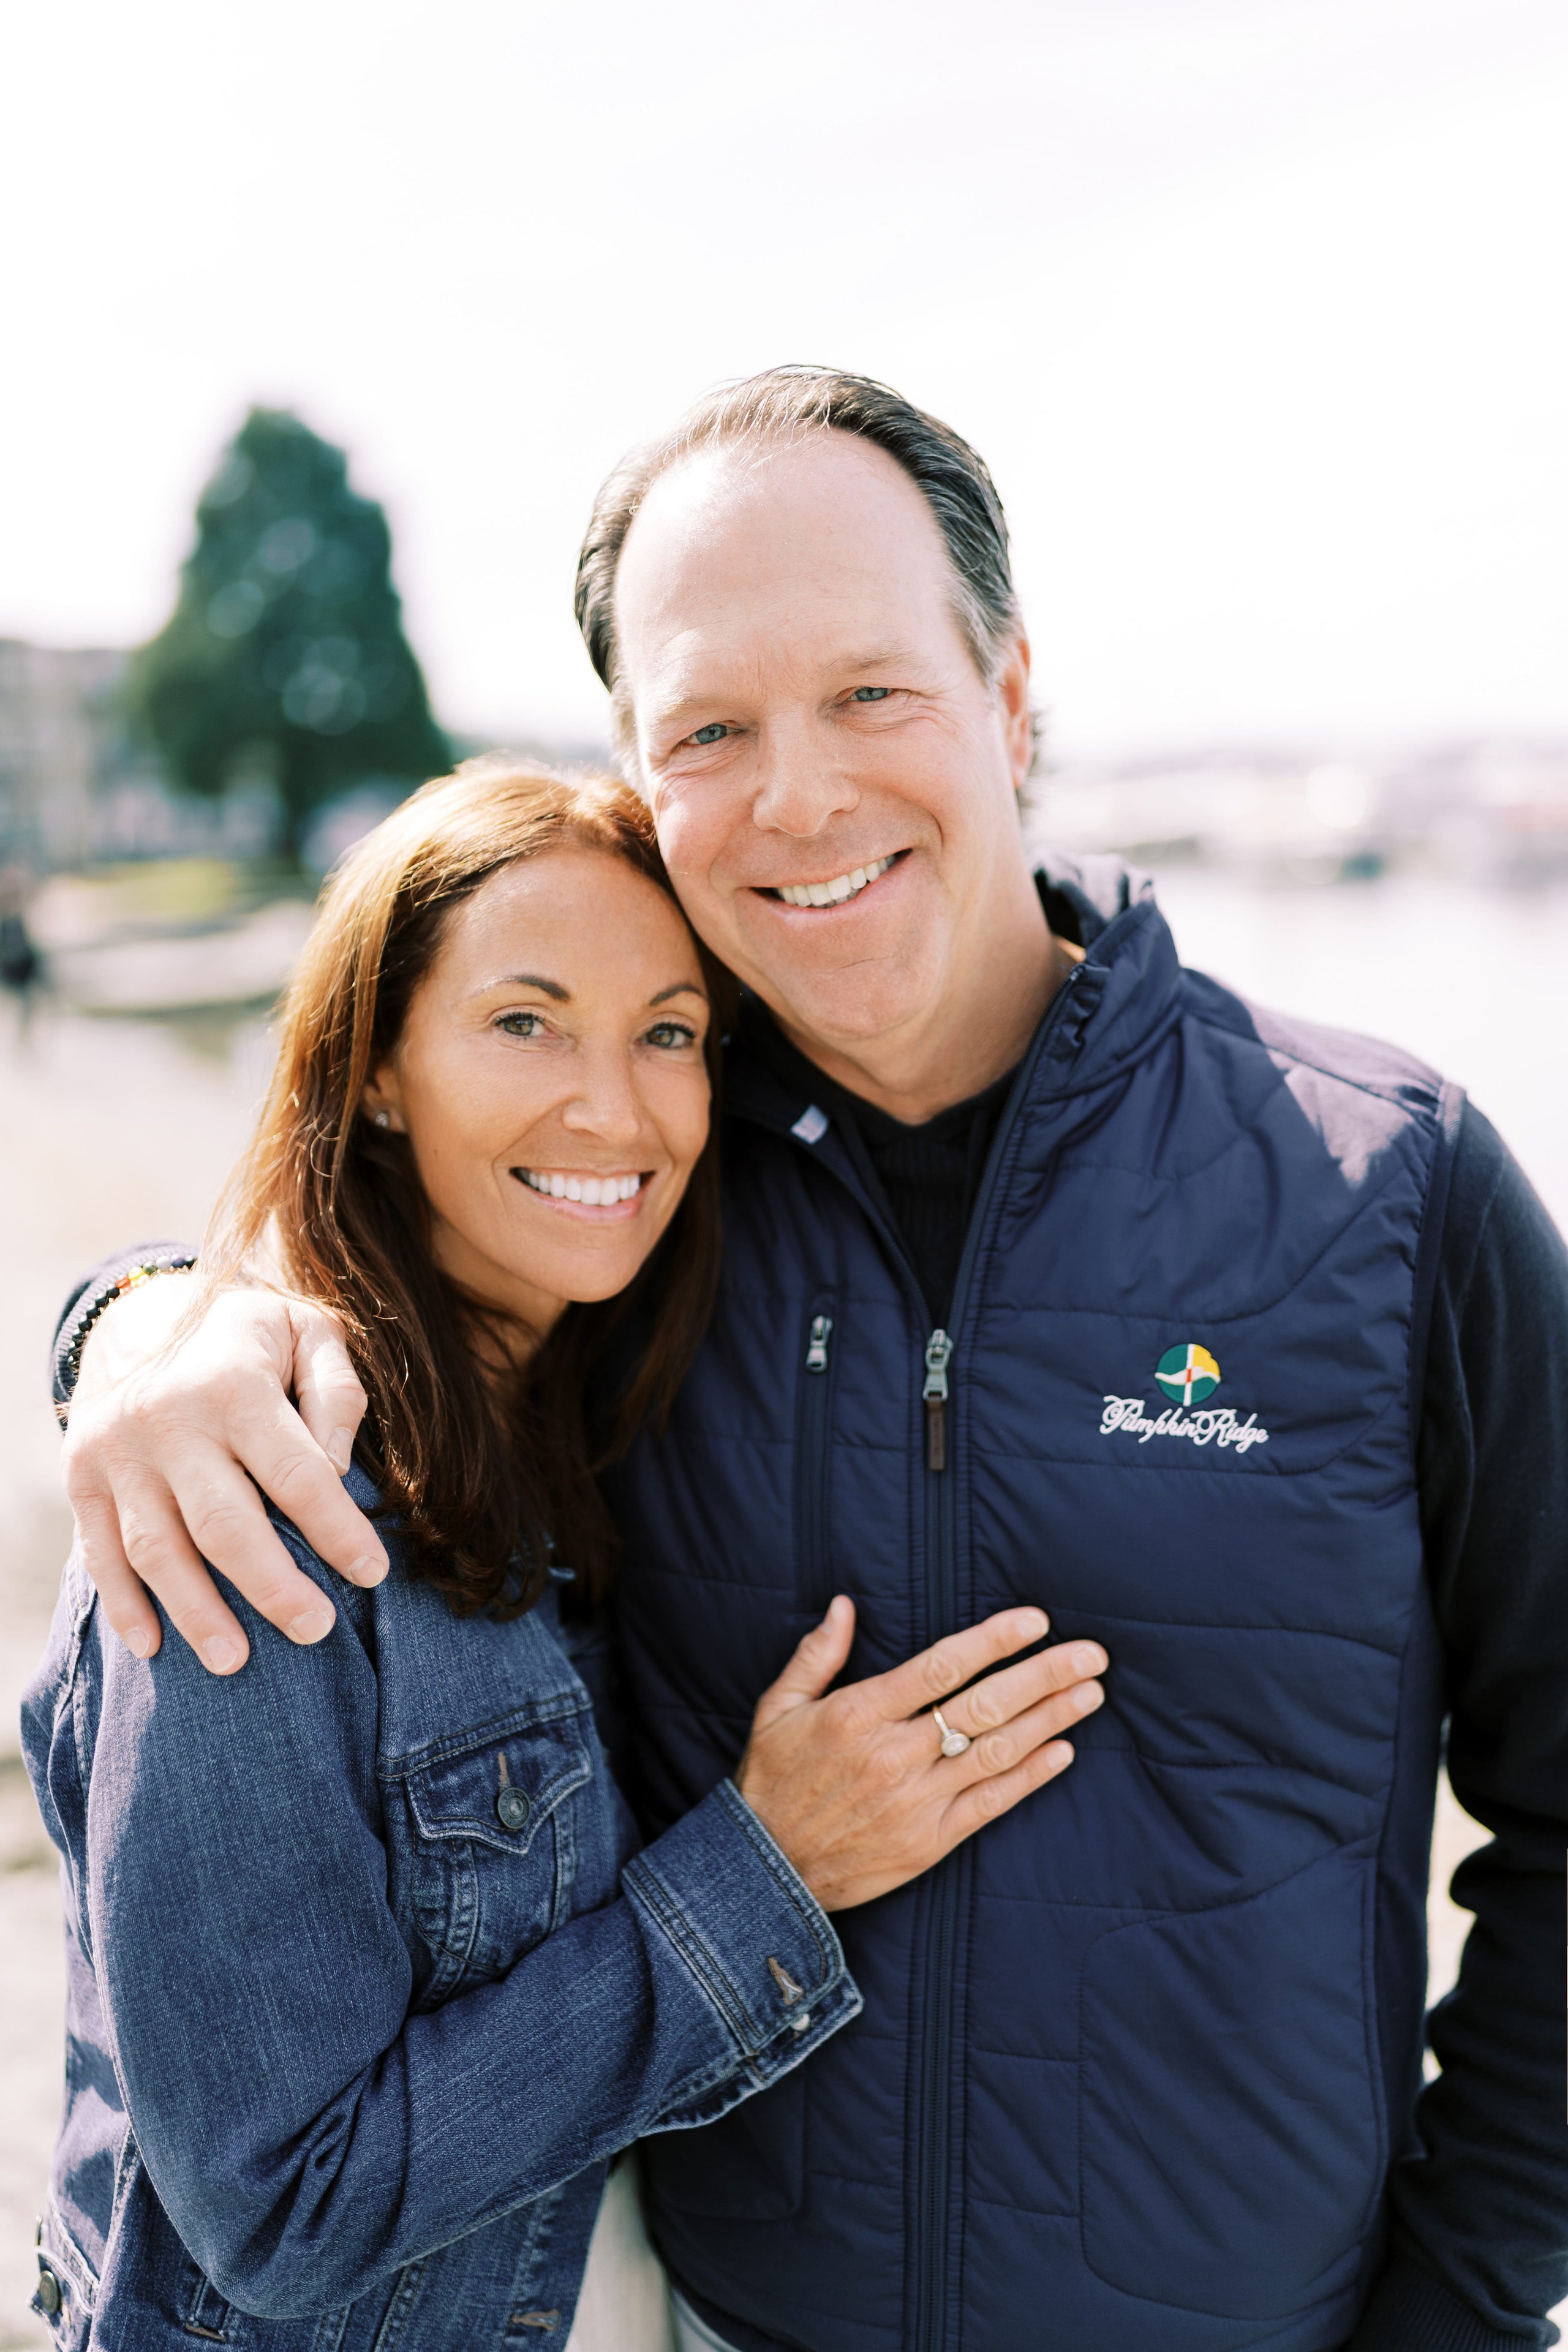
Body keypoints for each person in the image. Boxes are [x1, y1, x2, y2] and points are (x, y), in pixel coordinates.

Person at [55, 371, 1567, 2351]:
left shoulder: (1392, 1183)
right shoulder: (640, 1188)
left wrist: (1459, 2312)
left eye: (871, 693)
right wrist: (151, 1318)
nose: (798, 796)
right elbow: (381, 1260)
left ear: (1012, 698)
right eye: (710, 728)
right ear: (636, 769)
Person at [23, 760, 1107, 2350]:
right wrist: (774, 1872)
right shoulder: (265, 1505)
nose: (615, 1104)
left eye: (667, 1032)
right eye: (525, 1020)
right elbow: (281, 2207)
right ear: (380, 1068)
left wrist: (121, 1308)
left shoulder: (583, 1418)